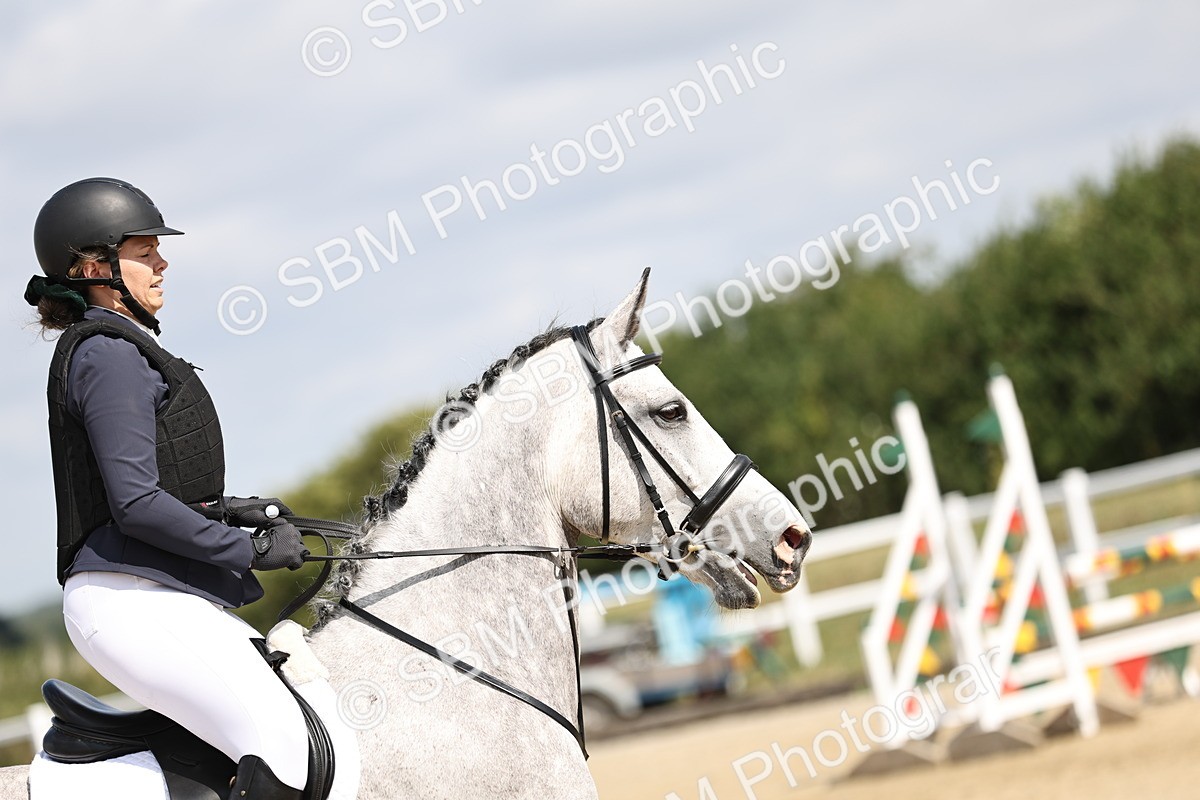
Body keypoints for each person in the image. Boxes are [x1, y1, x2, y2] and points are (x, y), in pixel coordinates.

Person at [24, 177, 313, 799]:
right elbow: (135, 505)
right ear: (94, 266)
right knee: (285, 746)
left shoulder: (122, 348)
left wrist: (233, 512)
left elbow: (148, 488)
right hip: (124, 600)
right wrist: (249, 551)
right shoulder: (107, 354)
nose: (162, 262)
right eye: (145, 251)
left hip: (153, 591)